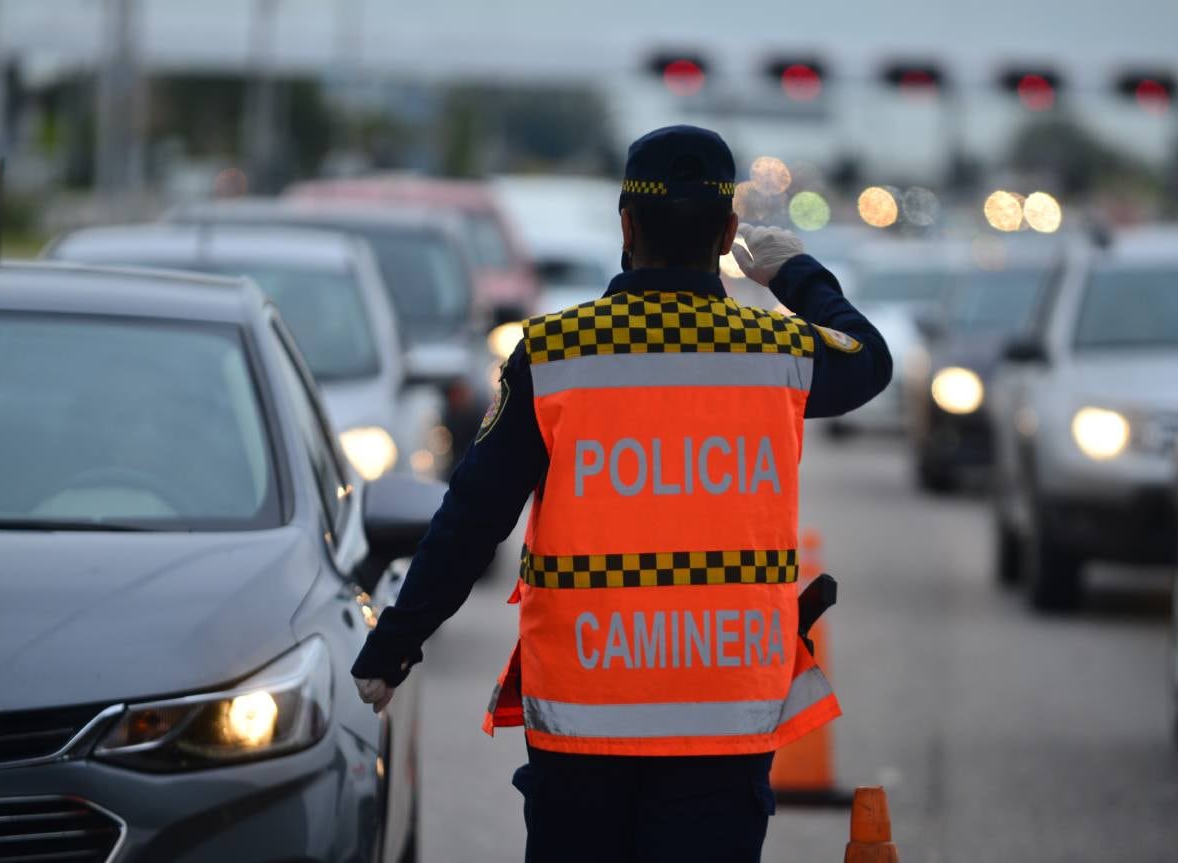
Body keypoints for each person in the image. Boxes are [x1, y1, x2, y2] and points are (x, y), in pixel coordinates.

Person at [351, 125, 892, 862]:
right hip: (726, 718)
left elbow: (474, 517)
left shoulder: (552, 353)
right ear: (730, 231)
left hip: (583, 726)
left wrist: (395, 641)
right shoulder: (779, 354)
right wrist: (794, 276)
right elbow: (869, 359)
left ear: (625, 225)